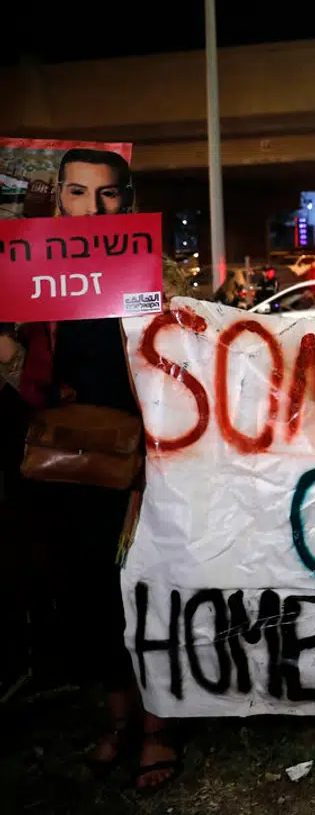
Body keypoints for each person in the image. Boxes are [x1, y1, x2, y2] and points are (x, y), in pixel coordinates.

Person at [11, 148, 183, 790]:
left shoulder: (145, 269)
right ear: (58, 197)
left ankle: (160, 725)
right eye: (77, 193)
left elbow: (176, 359)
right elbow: (23, 373)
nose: (92, 206)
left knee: (146, 588)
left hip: (147, 455)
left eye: (106, 194)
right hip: (67, 456)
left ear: (127, 198)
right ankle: (119, 719)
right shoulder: (32, 275)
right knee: (86, 590)